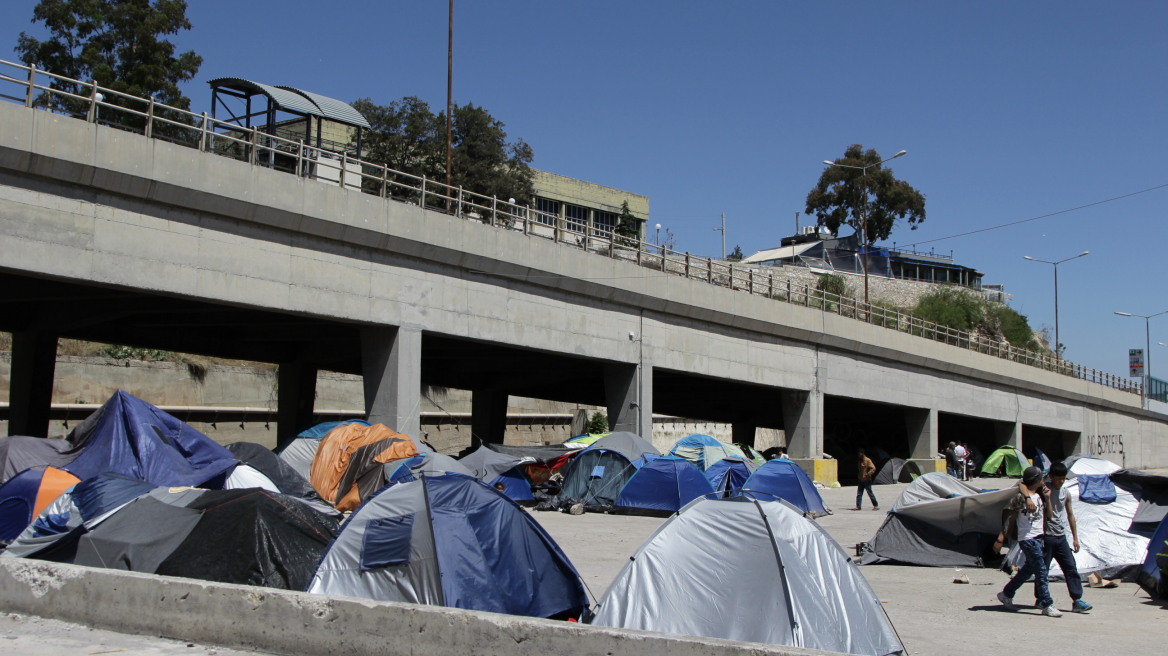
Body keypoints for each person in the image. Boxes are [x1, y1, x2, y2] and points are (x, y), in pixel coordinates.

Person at [996, 466, 1061, 617]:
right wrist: (1002, 536)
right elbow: (1009, 514)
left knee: (1027, 571)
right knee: (1041, 571)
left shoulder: (1039, 495)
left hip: (1039, 538)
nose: (1044, 480)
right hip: (1028, 539)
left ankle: (1007, 593)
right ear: (1036, 480)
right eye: (1041, 478)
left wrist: (1047, 498)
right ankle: (1047, 604)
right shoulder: (1021, 497)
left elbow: (1049, 516)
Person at [1044, 462, 1092, 613]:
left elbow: (1071, 515)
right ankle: (1041, 599)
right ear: (1051, 477)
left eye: (1063, 479)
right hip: (1046, 537)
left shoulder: (1065, 493)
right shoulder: (1044, 489)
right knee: (1042, 570)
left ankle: (1077, 600)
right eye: (1058, 479)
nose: (1060, 482)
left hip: (1061, 537)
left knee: (1070, 567)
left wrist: (1075, 538)